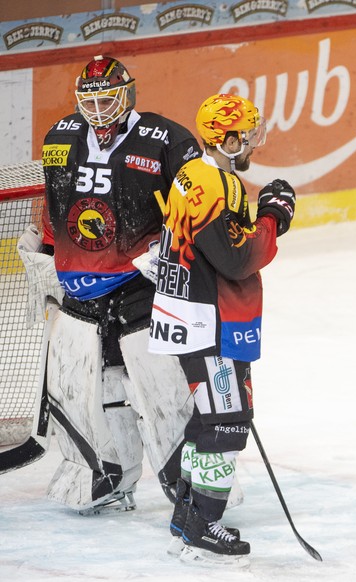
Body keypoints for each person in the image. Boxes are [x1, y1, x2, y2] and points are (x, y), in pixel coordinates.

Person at [18, 55, 201, 514]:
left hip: (140, 286)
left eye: (108, 97)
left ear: (130, 93)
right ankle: (108, 476)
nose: (99, 109)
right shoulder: (60, 136)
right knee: (90, 391)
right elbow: (55, 199)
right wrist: (42, 246)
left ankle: (194, 487)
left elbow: (198, 204)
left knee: (162, 389)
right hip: (79, 291)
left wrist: (173, 247)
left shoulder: (167, 139)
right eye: (90, 99)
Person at [148, 93, 295, 564]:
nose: (253, 142)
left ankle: (188, 515)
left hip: (186, 313)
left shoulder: (192, 172)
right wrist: (274, 216)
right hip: (210, 322)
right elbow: (236, 259)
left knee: (207, 419)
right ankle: (204, 525)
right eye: (247, 135)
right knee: (227, 422)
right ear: (228, 140)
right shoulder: (219, 187)